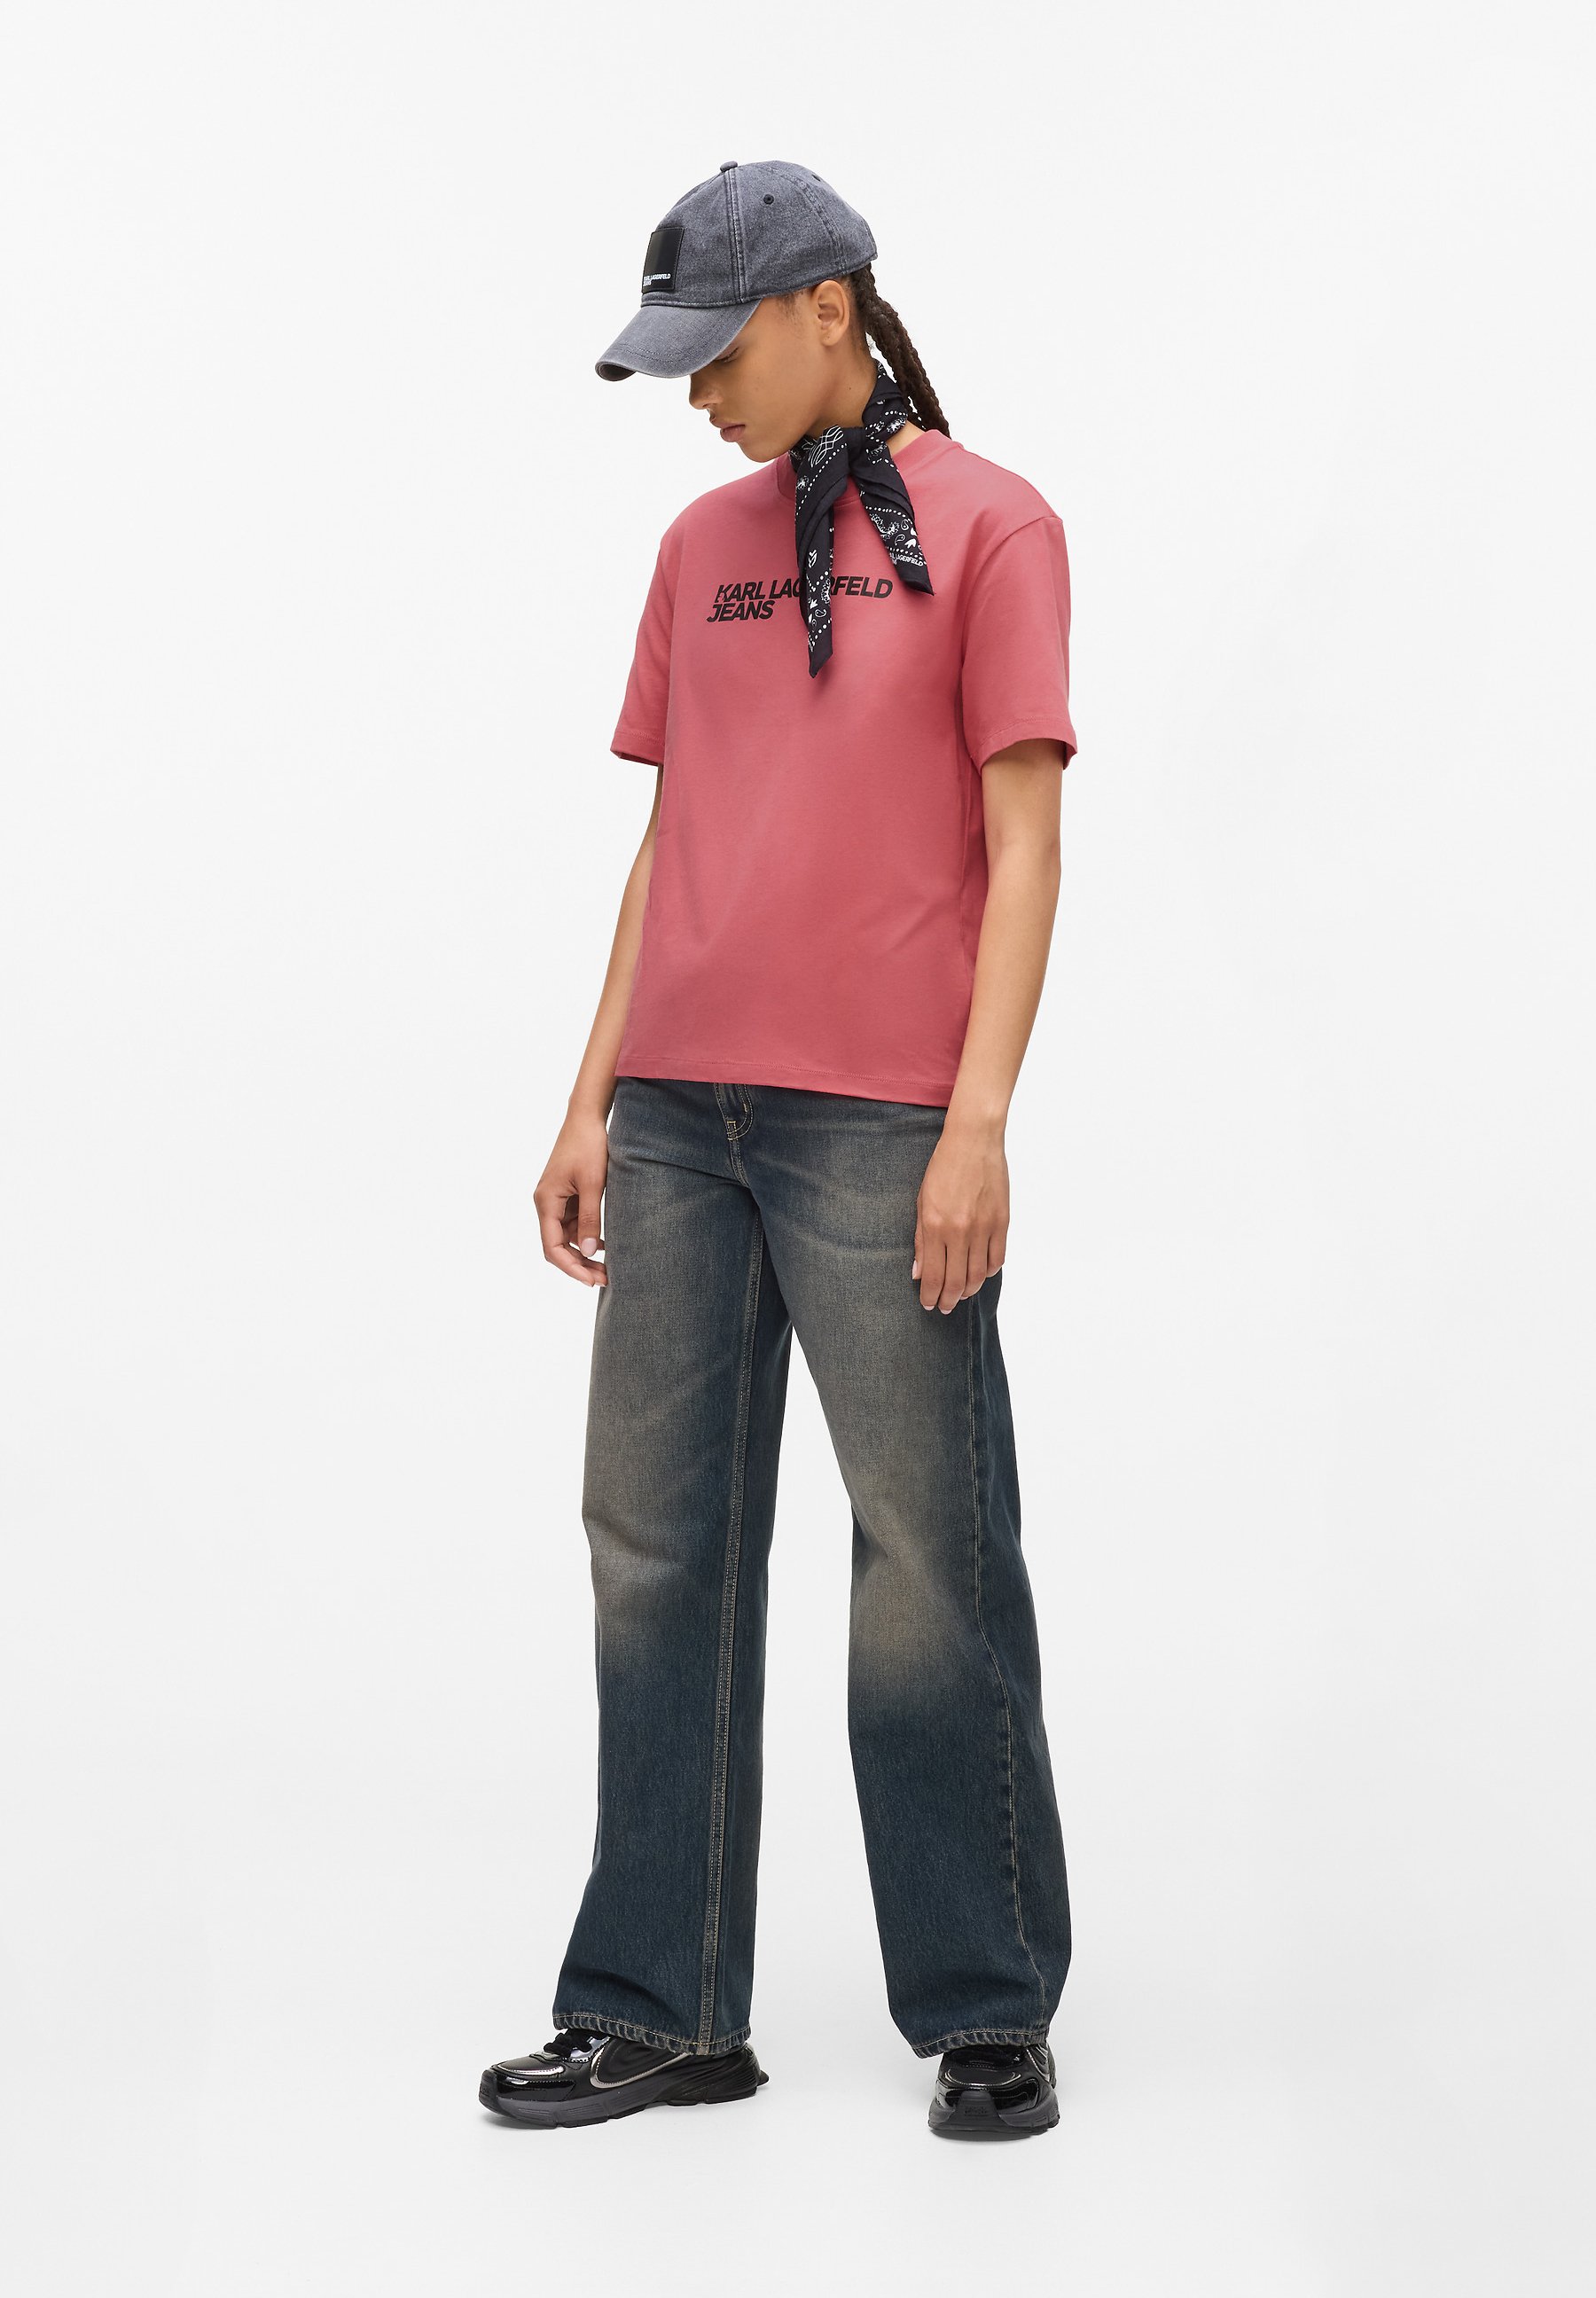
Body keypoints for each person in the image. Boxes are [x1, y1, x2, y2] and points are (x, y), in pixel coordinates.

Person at [478, 159, 1078, 2140]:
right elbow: (677, 835)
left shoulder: (996, 527)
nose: (700, 396)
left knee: (927, 1564)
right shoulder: (696, 545)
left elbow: (1023, 841)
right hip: (679, 1121)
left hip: (882, 1124)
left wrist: (977, 1121)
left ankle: (987, 2003)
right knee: (655, 1552)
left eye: (717, 352)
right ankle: (659, 2008)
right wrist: (592, 1094)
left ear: (832, 307)